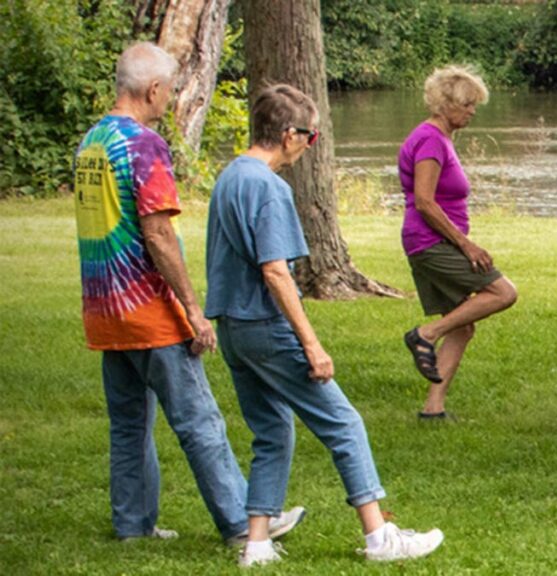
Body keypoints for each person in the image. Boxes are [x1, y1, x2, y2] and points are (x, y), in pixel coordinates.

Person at [72, 42, 303, 545]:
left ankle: (133, 526)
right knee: (199, 421)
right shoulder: (144, 145)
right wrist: (193, 310)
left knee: (129, 424)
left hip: (104, 312)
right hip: (147, 310)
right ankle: (242, 524)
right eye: (170, 90)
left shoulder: (91, 141)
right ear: (153, 90)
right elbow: (157, 234)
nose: (171, 97)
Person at [205, 83, 444, 567]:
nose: (309, 147)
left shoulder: (230, 176)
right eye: (310, 138)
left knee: (272, 430)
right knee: (344, 423)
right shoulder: (269, 189)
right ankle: (380, 537)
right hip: (265, 325)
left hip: (232, 328)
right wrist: (311, 344)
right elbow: (275, 271)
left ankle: (256, 546)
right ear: (290, 135)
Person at [398, 65, 518, 419]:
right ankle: (424, 334)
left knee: (463, 327)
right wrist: (467, 245)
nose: (472, 111)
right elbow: (424, 200)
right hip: (430, 242)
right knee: (503, 292)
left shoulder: (436, 138)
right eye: (467, 105)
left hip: (430, 242)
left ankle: (433, 409)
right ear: (447, 104)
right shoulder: (432, 140)